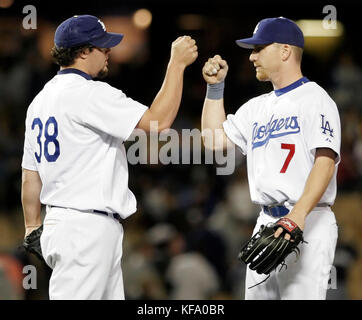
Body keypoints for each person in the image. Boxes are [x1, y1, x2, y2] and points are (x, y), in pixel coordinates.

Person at [21, 14, 198, 300]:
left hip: (67, 224)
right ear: (82, 51)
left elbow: (30, 175)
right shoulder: (88, 93)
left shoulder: (39, 101)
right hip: (85, 229)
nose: (108, 52)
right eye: (102, 46)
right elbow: (158, 122)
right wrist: (176, 65)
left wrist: (32, 227)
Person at [201, 17, 341, 299]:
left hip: (307, 220)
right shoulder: (256, 107)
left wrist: (297, 216)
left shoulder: (315, 98)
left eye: (259, 48)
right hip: (266, 222)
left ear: (285, 51)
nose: (252, 56)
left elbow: (325, 162)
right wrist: (215, 89)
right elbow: (214, 142)